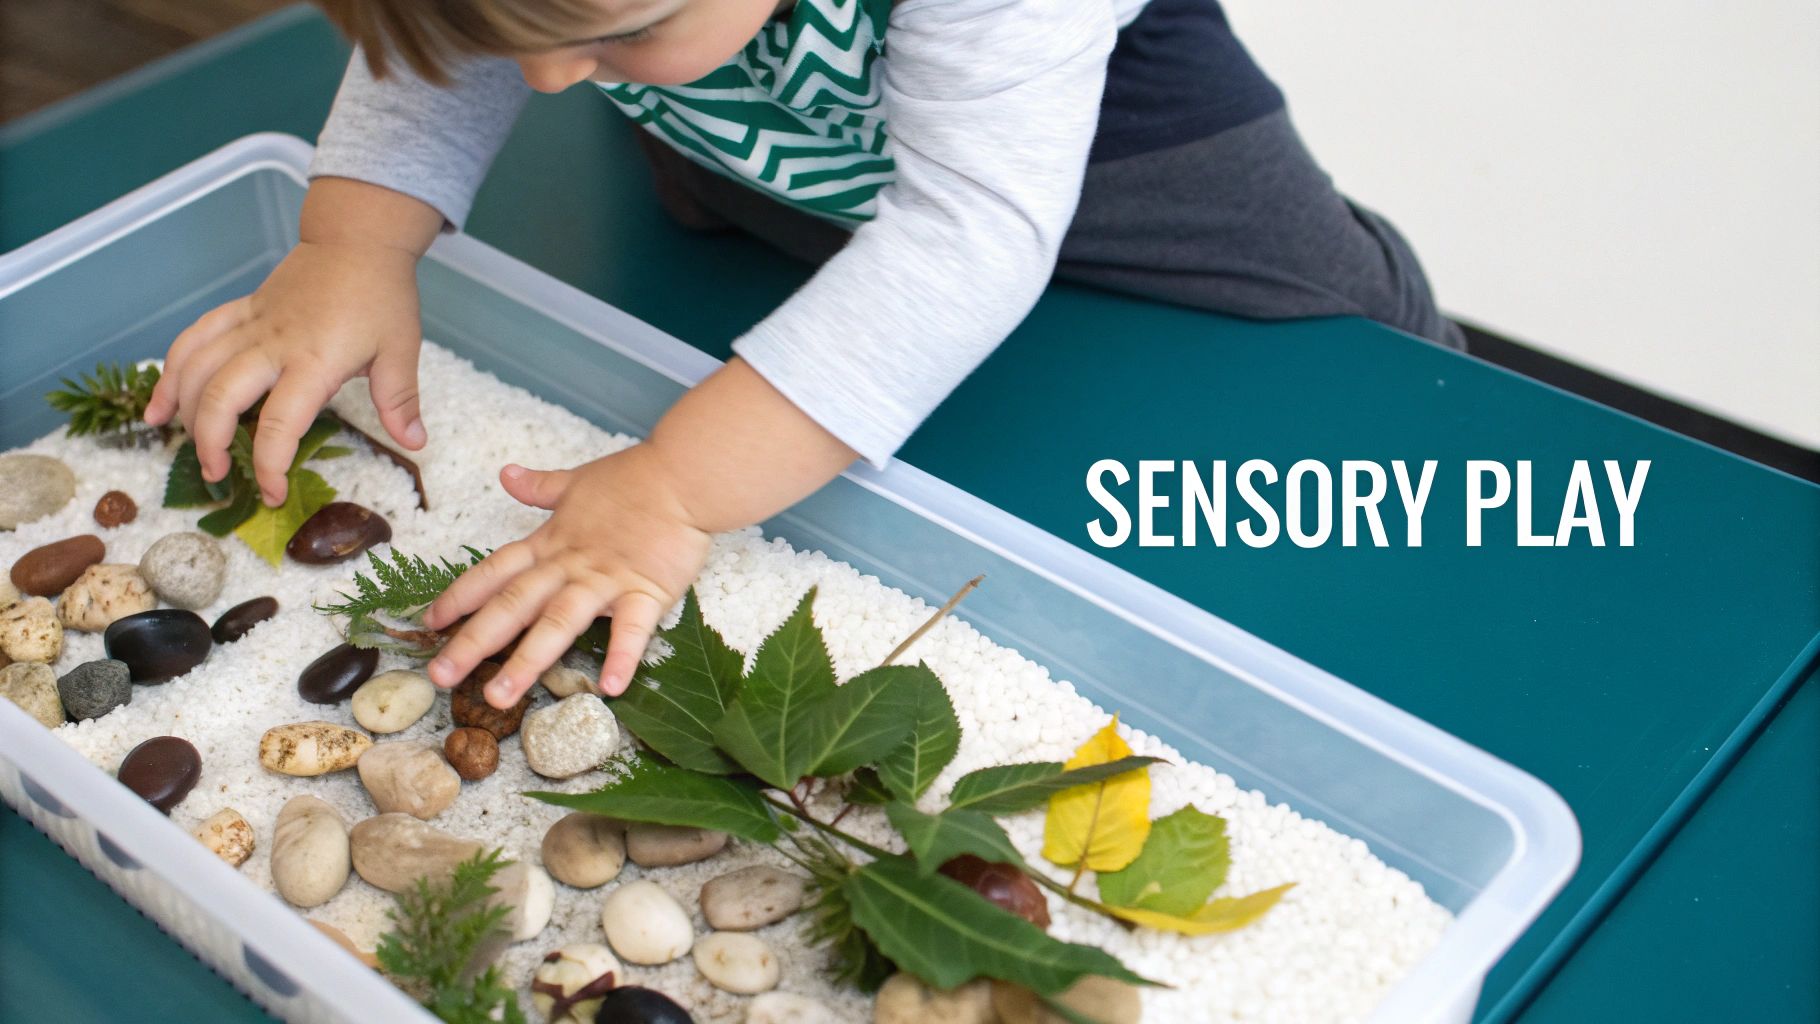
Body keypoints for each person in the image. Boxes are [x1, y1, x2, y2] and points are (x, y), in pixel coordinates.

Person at [144, 0, 1461, 710]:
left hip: (1131, 162)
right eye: (527, 42)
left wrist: (670, 488)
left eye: (611, 36)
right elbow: (464, 47)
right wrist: (355, 244)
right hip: (779, 154)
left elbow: (968, 233)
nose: (554, 88)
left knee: (1346, 341)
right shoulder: (583, 27)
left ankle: (1429, 372)